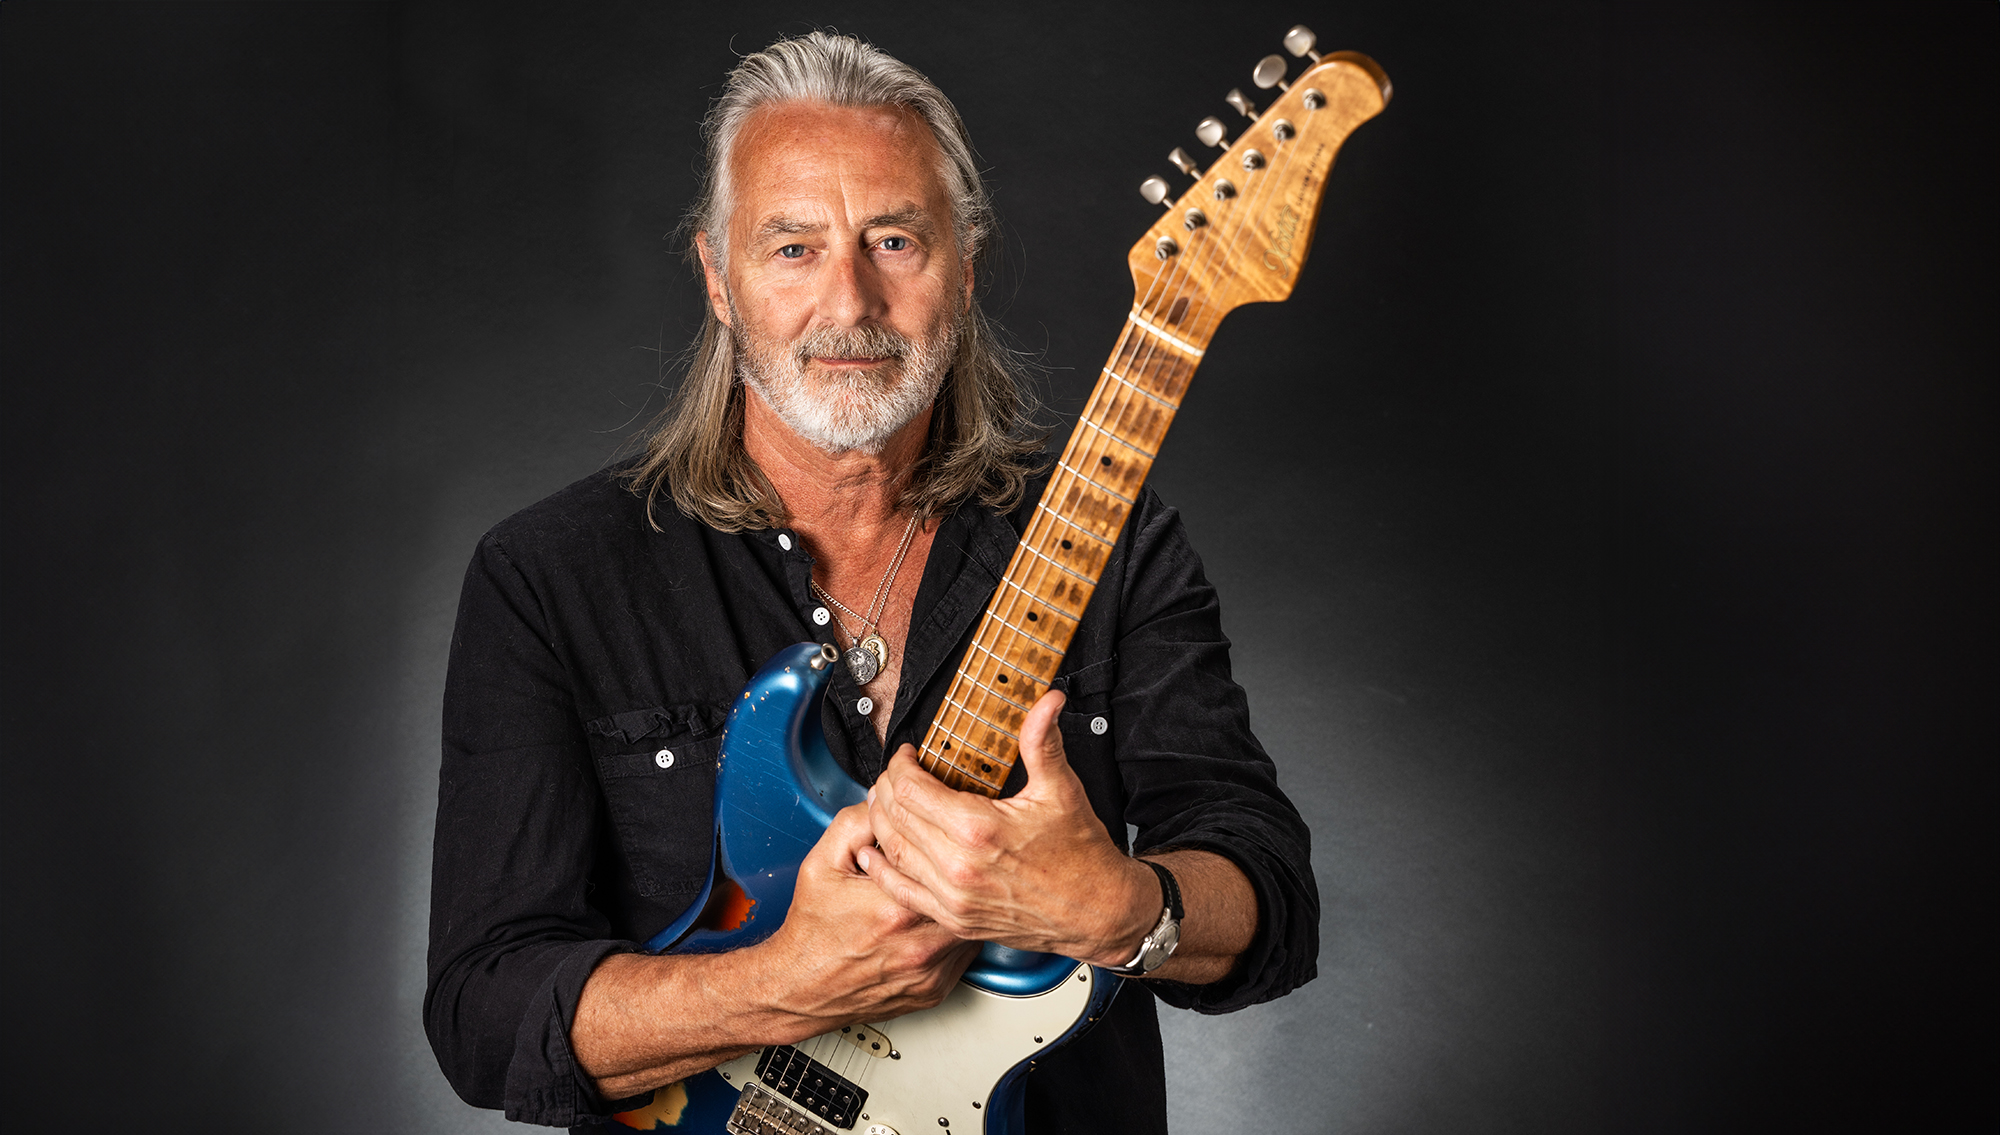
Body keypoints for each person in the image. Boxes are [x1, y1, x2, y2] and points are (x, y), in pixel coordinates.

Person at [426, 31, 1318, 1133]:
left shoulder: (1113, 540)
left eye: (893, 240)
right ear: (717, 278)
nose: (848, 301)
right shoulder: (549, 576)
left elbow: (1270, 898)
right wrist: (781, 982)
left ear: (965, 266)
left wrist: (1125, 906)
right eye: (792, 247)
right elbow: (484, 1012)